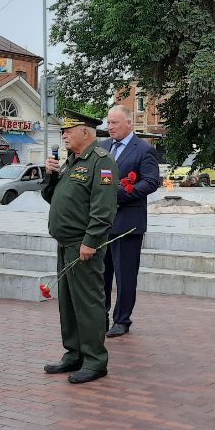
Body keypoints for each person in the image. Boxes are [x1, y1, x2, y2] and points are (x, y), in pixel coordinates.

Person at [41, 116, 119, 384]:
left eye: (68, 130)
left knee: (88, 303)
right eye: (62, 131)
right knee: (69, 302)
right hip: (65, 243)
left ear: (85, 132)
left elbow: (103, 207)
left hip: (82, 244)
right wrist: (50, 176)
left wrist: (91, 241)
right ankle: (74, 353)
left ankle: (95, 360)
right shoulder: (72, 162)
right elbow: (51, 197)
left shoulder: (101, 161)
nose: (63, 135)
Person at [103, 105, 162, 337]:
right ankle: (101, 314)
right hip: (103, 221)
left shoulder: (143, 150)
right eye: (108, 123)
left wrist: (123, 193)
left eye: (115, 123)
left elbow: (151, 182)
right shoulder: (103, 147)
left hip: (128, 222)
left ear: (129, 123)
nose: (110, 127)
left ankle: (122, 319)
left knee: (125, 274)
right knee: (102, 273)